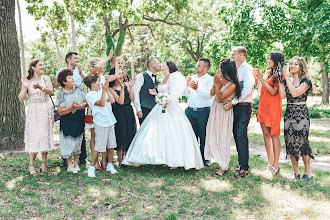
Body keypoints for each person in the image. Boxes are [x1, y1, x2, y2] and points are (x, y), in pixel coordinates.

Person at [122, 61, 204, 170]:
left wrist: (164, 99)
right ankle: (155, 156)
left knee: (171, 132)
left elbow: (175, 94)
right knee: (155, 132)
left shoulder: (175, 77)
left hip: (169, 107)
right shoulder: (165, 77)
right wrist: (157, 94)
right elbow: (163, 90)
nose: (161, 65)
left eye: (163, 64)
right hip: (160, 106)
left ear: (169, 66)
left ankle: (174, 158)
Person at [279, 56, 313, 181]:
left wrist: (286, 78)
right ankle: (296, 172)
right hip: (289, 113)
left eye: (295, 64)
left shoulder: (306, 81)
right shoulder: (286, 81)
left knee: (302, 143)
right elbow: (283, 96)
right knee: (290, 142)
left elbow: (294, 93)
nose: (292, 66)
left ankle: (308, 172)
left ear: (301, 67)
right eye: (291, 64)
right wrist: (280, 81)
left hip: (301, 114)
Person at [205, 58, 241, 176]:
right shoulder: (219, 80)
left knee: (223, 137)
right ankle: (216, 158)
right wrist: (216, 84)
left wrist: (217, 85)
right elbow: (211, 94)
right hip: (215, 110)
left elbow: (220, 98)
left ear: (227, 70)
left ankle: (223, 165)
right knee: (212, 133)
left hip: (224, 112)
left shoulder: (233, 85)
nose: (218, 70)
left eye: (221, 68)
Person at [18, 59, 54, 175]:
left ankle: (44, 164)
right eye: (40, 65)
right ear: (33, 68)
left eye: (43, 65)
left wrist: (40, 87)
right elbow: (21, 98)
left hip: (45, 108)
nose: (42, 67)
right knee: (34, 136)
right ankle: (31, 165)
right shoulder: (28, 81)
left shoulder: (46, 78)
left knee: (44, 135)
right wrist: (25, 87)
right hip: (34, 110)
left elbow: (51, 92)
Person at [223, 46, 254, 177]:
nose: (231, 56)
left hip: (243, 107)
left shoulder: (248, 69)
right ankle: (241, 164)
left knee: (241, 134)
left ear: (242, 55)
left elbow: (247, 90)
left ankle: (244, 168)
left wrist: (233, 102)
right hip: (234, 106)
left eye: (233, 54)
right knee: (236, 134)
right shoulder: (234, 69)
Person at [252, 51, 284, 175]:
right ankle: (269, 163)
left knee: (274, 135)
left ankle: (276, 164)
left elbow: (273, 92)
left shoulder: (280, 75)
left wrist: (261, 80)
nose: (267, 61)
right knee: (266, 135)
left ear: (276, 61)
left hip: (273, 108)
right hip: (263, 107)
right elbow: (259, 89)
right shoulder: (266, 73)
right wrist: (257, 79)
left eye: (270, 59)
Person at [54, 52, 88, 167]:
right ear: (69, 60)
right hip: (66, 101)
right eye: (75, 58)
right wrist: (65, 75)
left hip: (79, 101)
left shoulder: (79, 70)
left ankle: (81, 158)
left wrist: (81, 72)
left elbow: (87, 81)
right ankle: (66, 159)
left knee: (80, 133)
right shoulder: (61, 70)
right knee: (67, 134)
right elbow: (56, 84)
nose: (78, 59)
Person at [85, 75, 118, 177]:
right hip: (101, 122)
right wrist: (103, 91)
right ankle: (91, 168)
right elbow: (102, 103)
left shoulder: (101, 91)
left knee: (111, 145)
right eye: (98, 81)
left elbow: (112, 100)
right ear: (93, 84)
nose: (101, 83)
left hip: (110, 121)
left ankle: (110, 165)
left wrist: (106, 90)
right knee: (99, 147)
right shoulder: (90, 95)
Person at [185, 58, 213, 167]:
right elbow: (184, 93)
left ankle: (204, 158)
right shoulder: (191, 78)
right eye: (197, 65)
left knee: (203, 135)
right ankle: (193, 157)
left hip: (203, 111)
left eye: (199, 66)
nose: (196, 67)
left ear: (205, 68)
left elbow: (209, 95)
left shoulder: (210, 79)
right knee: (192, 135)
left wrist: (197, 89)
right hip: (190, 111)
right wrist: (186, 86)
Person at [109, 68, 137, 165]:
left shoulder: (126, 84)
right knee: (120, 133)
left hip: (129, 110)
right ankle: (120, 160)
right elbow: (120, 101)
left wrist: (131, 87)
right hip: (118, 112)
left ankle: (127, 157)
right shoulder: (110, 89)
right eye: (118, 74)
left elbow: (132, 98)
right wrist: (121, 89)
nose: (121, 76)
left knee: (130, 131)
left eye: (121, 74)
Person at [133, 58, 162, 125]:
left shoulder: (158, 78)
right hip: (144, 109)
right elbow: (136, 92)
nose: (160, 65)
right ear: (153, 65)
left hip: (155, 109)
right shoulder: (141, 76)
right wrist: (138, 109)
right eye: (158, 63)